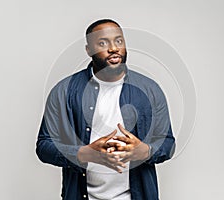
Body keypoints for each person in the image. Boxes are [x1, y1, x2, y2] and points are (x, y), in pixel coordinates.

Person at [36, 19, 176, 200]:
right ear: (89, 50)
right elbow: (44, 146)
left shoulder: (150, 90)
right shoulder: (64, 91)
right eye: (103, 43)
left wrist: (145, 151)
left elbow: (168, 142)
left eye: (119, 41)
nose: (113, 48)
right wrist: (82, 154)